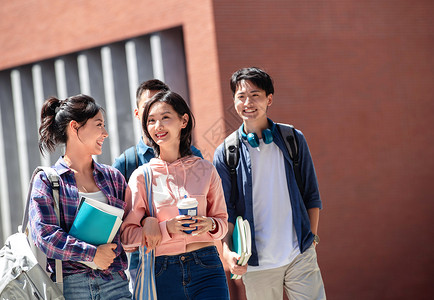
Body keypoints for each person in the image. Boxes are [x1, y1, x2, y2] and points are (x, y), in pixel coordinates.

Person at [213, 67, 326, 300]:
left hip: (299, 256)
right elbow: (226, 213)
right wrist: (227, 253)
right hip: (256, 266)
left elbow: (311, 195)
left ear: (269, 99)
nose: (248, 102)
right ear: (234, 100)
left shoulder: (293, 139)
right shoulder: (226, 153)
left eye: (255, 95)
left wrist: (311, 240)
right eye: (241, 96)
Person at [121, 91, 230, 299]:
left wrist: (211, 225)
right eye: (151, 121)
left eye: (165, 117)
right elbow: (126, 238)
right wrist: (165, 228)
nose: (158, 126)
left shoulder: (206, 169)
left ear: (184, 120)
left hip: (207, 266)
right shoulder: (141, 177)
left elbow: (222, 222)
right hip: (163, 270)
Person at [29, 94, 132, 299]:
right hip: (71, 288)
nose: (105, 133)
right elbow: (45, 236)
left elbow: (129, 229)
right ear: (75, 127)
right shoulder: (47, 181)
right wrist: (92, 254)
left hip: (115, 284)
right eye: (99, 124)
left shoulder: (113, 178)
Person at [112, 79, 204, 288]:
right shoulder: (126, 163)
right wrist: (145, 220)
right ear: (138, 114)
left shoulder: (195, 158)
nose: (155, 118)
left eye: (162, 109)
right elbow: (118, 224)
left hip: (192, 260)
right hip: (145, 265)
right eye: (148, 109)